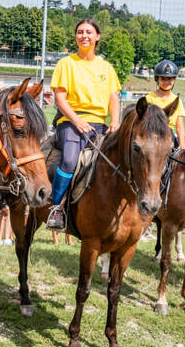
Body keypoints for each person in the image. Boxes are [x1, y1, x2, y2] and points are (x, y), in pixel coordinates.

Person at [46, 18, 122, 231]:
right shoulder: (66, 63)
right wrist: (77, 121)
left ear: (97, 36)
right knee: (70, 160)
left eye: (88, 32)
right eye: (80, 32)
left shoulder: (106, 68)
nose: (84, 36)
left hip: (99, 124)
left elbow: (113, 98)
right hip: (70, 122)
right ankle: (56, 208)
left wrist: (115, 121)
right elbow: (59, 98)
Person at [145, 59, 185, 149]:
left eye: (169, 79)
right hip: (152, 136)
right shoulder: (149, 98)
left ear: (174, 79)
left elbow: (179, 126)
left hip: (169, 137)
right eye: (163, 79)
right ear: (157, 79)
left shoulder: (177, 101)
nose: (166, 82)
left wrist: (182, 144)